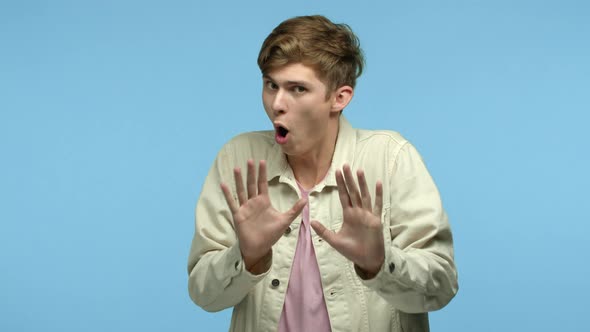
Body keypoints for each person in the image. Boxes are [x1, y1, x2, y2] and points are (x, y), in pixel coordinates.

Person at [187, 15, 458, 332]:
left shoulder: (391, 158)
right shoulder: (238, 157)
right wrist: (247, 257)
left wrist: (379, 265)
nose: (277, 103)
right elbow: (204, 295)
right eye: (271, 85)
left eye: (297, 89)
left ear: (340, 97)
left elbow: (441, 287)